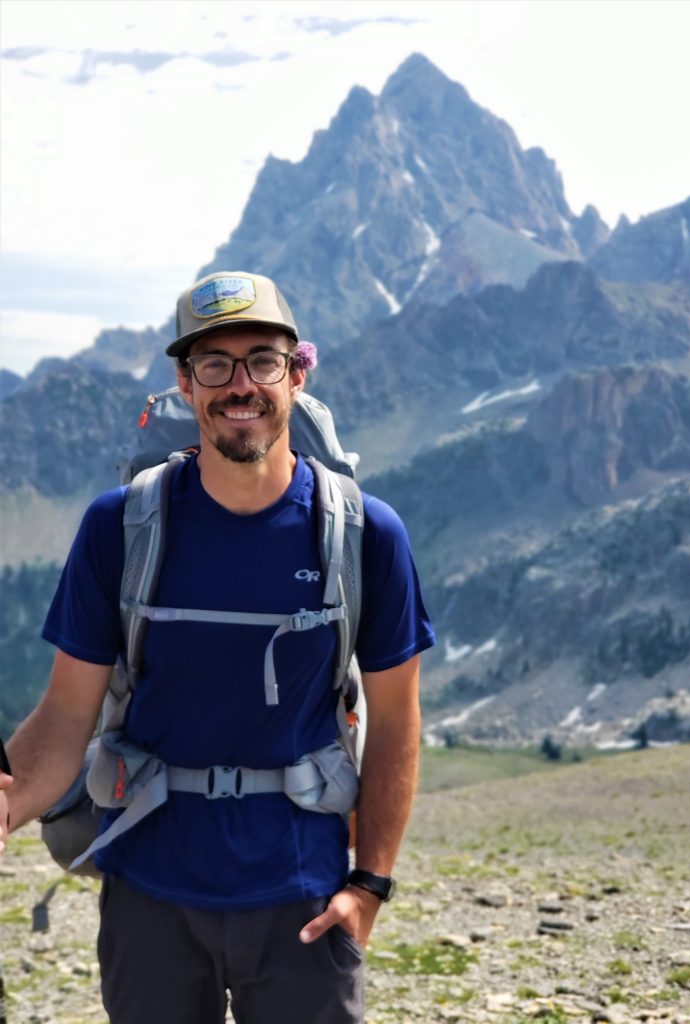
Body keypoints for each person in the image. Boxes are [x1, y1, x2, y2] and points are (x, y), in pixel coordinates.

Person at [0, 271, 435, 1024]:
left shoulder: (366, 534)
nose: (241, 385)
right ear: (184, 381)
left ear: (297, 372)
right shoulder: (121, 527)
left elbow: (396, 721)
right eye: (215, 364)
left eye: (262, 360)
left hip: (303, 897)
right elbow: (66, 715)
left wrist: (370, 887)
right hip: (147, 896)